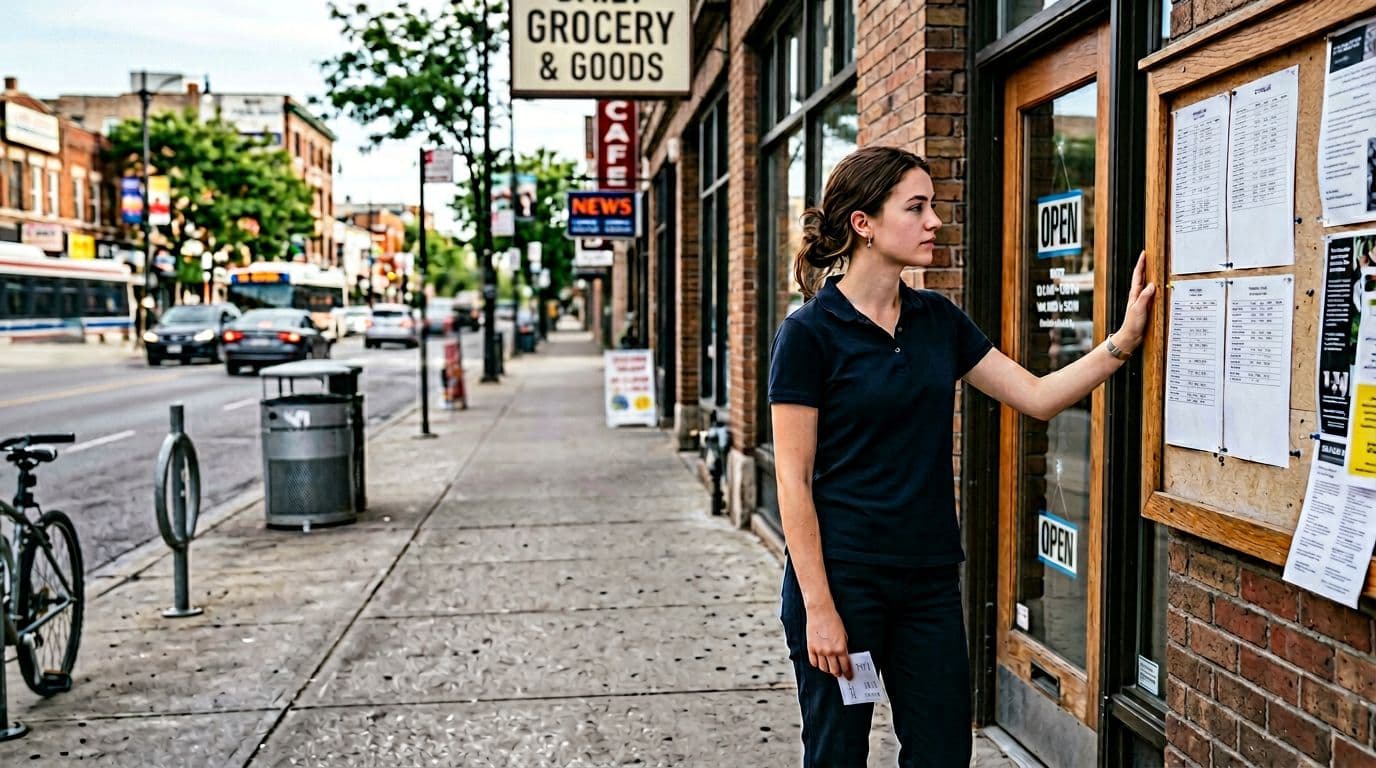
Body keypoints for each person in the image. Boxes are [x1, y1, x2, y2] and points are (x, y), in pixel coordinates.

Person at [768, 145, 1155, 767]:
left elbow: (1034, 396)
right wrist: (819, 609)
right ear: (863, 224)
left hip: (927, 581)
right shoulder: (810, 334)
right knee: (838, 753)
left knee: (944, 753)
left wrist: (1122, 342)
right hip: (843, 581)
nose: (934, 221)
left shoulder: (936, 320)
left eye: (934, 206)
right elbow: (793, 478)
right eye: (916, 207)